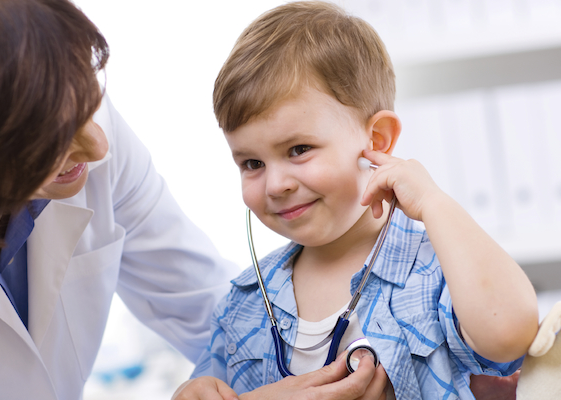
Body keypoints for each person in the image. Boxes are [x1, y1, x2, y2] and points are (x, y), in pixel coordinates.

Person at [181, 2, 540, 399]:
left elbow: (510, 334)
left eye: (299, 149)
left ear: (376, 141)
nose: (276, 185)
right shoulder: (243, 303)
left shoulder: (435, 273)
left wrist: (435, 204)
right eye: (252, 163)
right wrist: (194, 391)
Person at [0, 0, 243, 399]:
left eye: (89, 102)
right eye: (50, 142)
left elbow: (215, 314)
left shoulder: (78, 125)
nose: (97, 147)